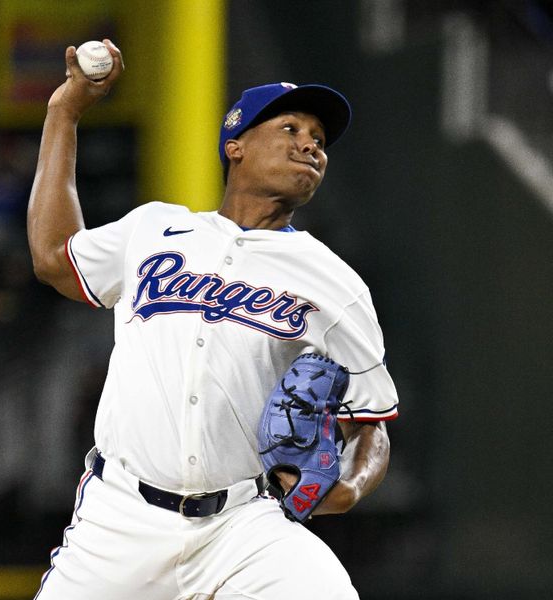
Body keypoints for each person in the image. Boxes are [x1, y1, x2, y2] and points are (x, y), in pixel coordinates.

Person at [27, 39, 399, 600]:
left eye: (319, 141)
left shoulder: (335, 283)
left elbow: (372, 423)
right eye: (291, 130)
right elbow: (54, 256)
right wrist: (65, 111)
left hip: (243, 524)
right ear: (236, 145)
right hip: (121, 518)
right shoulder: (156, 228)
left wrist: (349, 485)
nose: (311, 147)